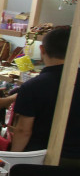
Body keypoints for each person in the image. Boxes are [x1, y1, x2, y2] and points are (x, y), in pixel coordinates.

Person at [11, 28, 80, 163]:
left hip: (40, 159)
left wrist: (12, 160)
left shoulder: (32, 87)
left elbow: (23, 131)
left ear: (42, 50)